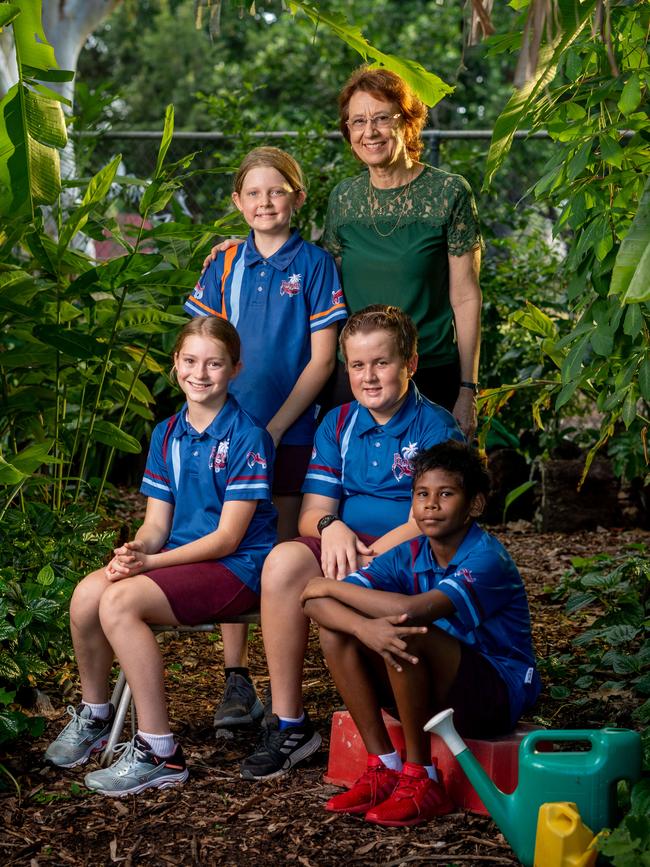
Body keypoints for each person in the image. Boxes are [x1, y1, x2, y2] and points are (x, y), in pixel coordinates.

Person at [44, 318, 277, 796]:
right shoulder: (167, 433)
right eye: (190, 361)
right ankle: (95, 716)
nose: (200, 372)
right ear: (175, 366)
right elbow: (156, 526)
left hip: (238, 567)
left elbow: (228, 538)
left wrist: (150, 566)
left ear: (235, 368)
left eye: (214, 363)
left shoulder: (248, 436)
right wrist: (136, 551)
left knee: (119, 603)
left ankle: (160, 751)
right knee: (89, 593)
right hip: (180, 559)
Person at [238, 305, 464, 782]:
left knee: (336, 593)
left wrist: (369, 558)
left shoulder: (435, 427)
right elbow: (311, 514)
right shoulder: (338, 424)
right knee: (282, 562)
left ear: (410, 364)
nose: (369, 377)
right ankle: (290, 723)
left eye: (381, 363)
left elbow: (431, 520)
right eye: (357, 366)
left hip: (409, 553)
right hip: (346, 547)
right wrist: (330, 528)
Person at [204, 67, 482, 440]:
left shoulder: (449, 192)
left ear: (408, 123)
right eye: (358, 121)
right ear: (348, 131)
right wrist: (248, 246)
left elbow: (465, 296)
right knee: (341, 484)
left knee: (429, 488)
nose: (370, 131)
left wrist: (468, 387)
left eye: (382, 118)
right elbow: (318, 273)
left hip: (426, 369)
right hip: (352, 373)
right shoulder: (344, 198)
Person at [186, 146, 347, 729]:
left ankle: (289, 692)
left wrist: (275, 429)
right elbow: (204, 344)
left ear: (297, 198)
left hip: (291, 431)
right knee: (228, 542)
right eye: (252, 193)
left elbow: (324, 360)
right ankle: (236, 678)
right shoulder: (225, 263)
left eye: (276, 191)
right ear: (237, 202)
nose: (265, 202)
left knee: (280, 555)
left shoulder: (315, 265)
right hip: (228, 431)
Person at [301, 441, 541, 827]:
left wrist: (325, 585)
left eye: (446, 494)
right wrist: (361, 626)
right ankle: (383, 767)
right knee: (337, 630)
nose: (431, 504)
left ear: (474, 505)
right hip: (427, 684)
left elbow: (410, 612)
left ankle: (421, 776)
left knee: (405, 631)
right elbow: (311, 606)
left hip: (493, 696)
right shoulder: (409, 553)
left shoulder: (486, 558)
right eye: (422, 494)